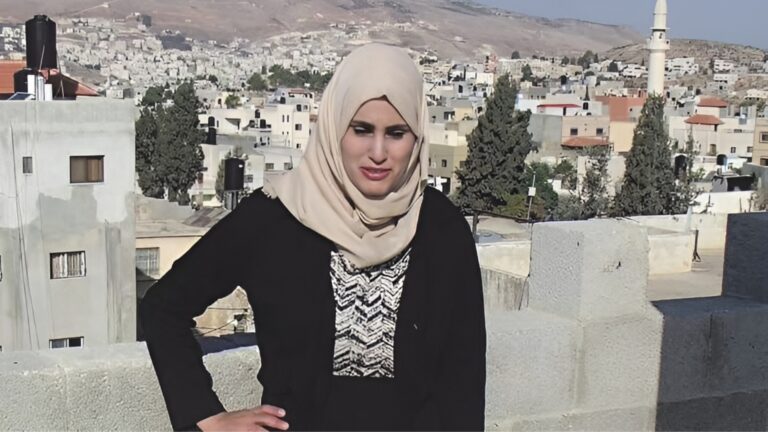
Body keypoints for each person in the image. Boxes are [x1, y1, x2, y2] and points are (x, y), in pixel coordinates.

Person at [140, 43, 486, 432]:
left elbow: (463, 380)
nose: (377, 152)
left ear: (417, 137)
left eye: (396, 133)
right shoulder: (276, 216)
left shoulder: (440, 228)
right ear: (335, 127)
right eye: (361, 130)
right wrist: (203, 415)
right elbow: (162, 309)